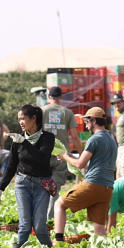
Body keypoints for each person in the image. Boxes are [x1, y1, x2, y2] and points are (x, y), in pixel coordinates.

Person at [0, 105, 56, 247]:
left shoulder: (48, 138)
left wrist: (25, 143)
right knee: (25, 226)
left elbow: (42, 158)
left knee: (40, 226)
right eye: (19, 119)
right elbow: (11, 166)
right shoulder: (18, 141)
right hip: (22, 184)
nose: (20, 122)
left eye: (23, 118)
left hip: (42, 185)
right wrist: (0, 189)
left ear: (33, 118)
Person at [54, 106, 117, 238]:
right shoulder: (111, 139)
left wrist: (64, 156)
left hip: (93, 184)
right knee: (100, 230)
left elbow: (80, 163)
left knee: (59, 204)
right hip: (107, 188)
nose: (86, 125)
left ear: (94, 121)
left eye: (87, 122)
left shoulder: (94, 139)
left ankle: (58, 240)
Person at [41, 86, 82, 222]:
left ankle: (40, 218)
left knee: (42, 186)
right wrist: (81, 153)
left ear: (49, 96)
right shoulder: (67, 113)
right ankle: (50, 219)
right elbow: (75, 137)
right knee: (55, 188)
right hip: (61, 155)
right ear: (61, 97)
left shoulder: (41, 112)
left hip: (44, 154)